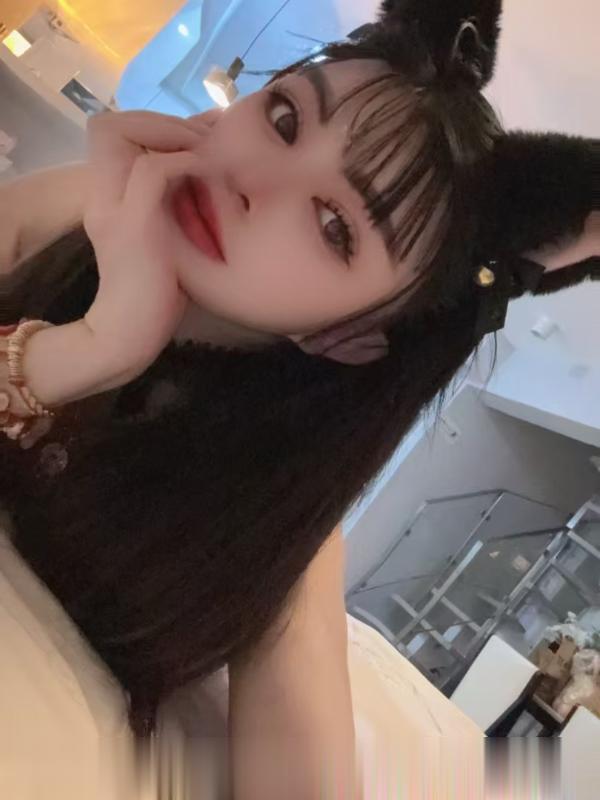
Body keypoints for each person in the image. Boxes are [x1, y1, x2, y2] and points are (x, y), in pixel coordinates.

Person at [0, 0, 598, 780]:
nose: (253, 177)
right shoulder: (74, 210)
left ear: (350, 338)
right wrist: (83, 347)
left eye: (335, 226)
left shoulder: (265, 517)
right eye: (284, 119)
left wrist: (99, 350)